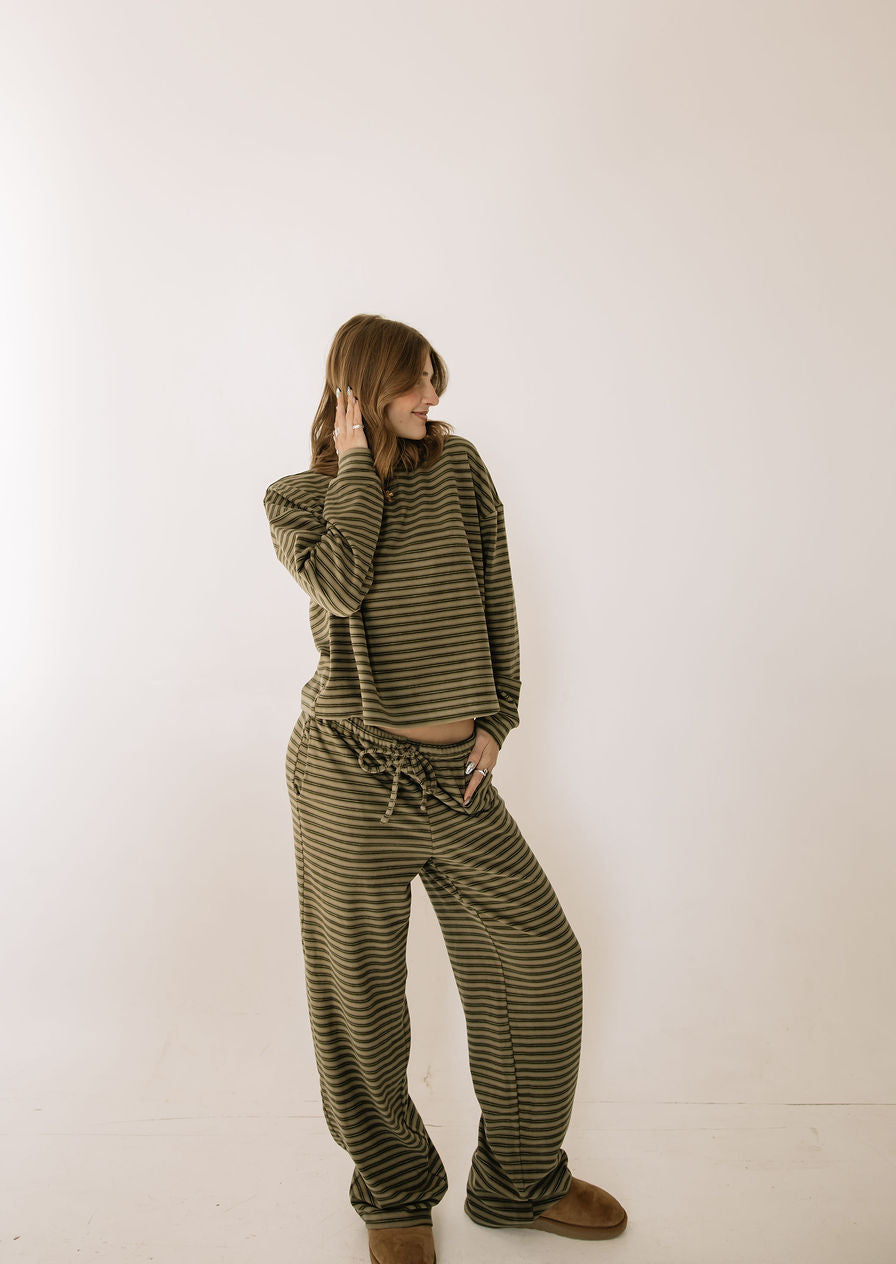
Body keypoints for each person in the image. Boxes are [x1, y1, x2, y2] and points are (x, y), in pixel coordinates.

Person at [263, 313, 627, 1264]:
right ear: (358, 390)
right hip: (348, 776)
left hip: (456, 778)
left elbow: (495, 589)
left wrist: (499, 718)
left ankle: (520, 1180)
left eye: (434, 378)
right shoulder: (300, 499)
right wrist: (354, 466)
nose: (433, 397)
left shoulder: (459, 469)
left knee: (540, 958)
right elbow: (342, 586)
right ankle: (393, 1193)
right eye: (413, 382)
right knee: (362, 997)